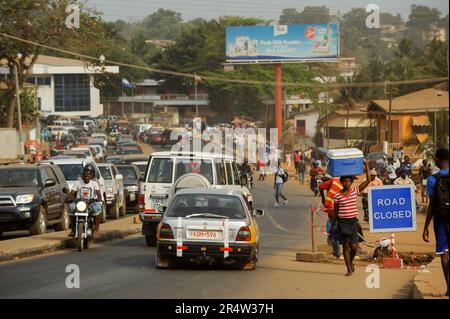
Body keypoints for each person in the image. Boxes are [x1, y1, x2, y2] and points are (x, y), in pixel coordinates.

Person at [330, 161, 371, 276]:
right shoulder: (337, 195)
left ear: (351, 182)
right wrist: (333, 226)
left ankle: (351, 262)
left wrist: (367, 166)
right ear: (341, 182)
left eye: (348, 181)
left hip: (353, 222)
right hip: (342, 222)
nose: (347, 183)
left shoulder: (355, 191)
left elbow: (368, 180)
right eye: (344, 181)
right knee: (346, 246)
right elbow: (336, 211)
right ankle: (348, 268)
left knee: (354, 247)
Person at [422, 148, 449, 297]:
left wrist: (425, 227)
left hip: (440, 220)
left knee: (444, 253)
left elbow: (431, 205)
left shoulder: (433, 179)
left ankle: (449, 286)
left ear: (438, 159)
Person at [66, 165, 103, 237]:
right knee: (71, 207)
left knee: (97, 208)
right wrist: (69, 198)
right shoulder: (78, 183)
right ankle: (73, 229)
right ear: (82, 175)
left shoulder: (94, 183)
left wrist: (99, 198)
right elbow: (72, 193)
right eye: (85, 174)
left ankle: (96, 229)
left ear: (91, 176)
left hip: (90, 203)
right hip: (79, 203)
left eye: (88, 175)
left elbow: (98, 193)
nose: (86, 176)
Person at [319, 175, 343, 259]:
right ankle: (337, 251)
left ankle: (337, 252)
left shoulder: (333, 182)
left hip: (334, 210)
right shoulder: (340, 182)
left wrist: (323, 198)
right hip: (338, 210)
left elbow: (320, 186)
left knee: (333, 230)